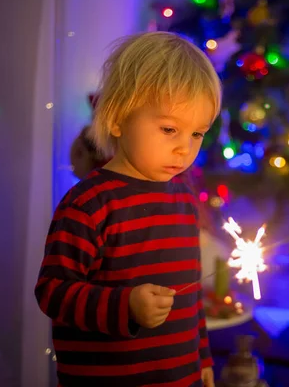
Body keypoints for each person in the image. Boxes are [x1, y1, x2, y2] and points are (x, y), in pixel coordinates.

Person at [35, 31, 222, 387]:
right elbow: (53, 291)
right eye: (170, 129)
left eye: (197, 134)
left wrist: (202, 356)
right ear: (118, 118)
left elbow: (190, 289)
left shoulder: (182, 196)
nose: (185, 148)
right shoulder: (89, 203)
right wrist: (126, 306)